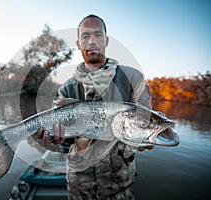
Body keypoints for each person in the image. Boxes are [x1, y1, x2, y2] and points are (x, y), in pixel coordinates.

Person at [35, 14, 153, 200]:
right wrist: (57, 139)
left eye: (98, 35)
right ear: (78, 43)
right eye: (85, 36)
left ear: (106, 41)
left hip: (119, 185)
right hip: (78, 184)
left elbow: (143, 125)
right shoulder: (66, 88)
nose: (92, 41)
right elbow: (66, 141)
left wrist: (143, 139)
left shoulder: (133, 78)